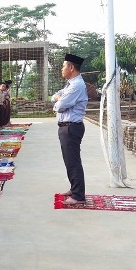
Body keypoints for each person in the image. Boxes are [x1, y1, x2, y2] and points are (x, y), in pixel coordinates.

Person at [52, 53, 88, 205]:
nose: (62, 69)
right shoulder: (70, 84)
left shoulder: (76, 85)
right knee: (69, 161)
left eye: (63, 66)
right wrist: (59, 99)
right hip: (66, 127)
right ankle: (74, 188)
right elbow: (54, 97)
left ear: (71, 67)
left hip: (71, 127)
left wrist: (59, 100)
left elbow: (59, 106)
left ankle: (79, 195)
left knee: (73, 161)